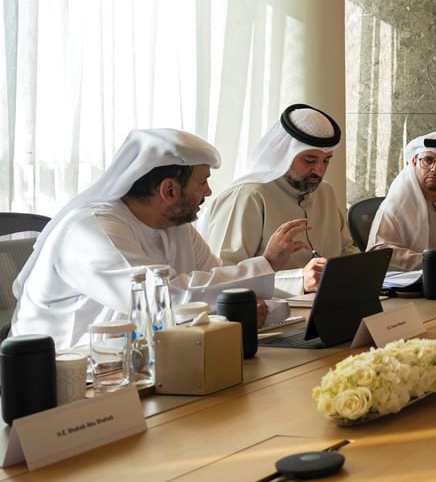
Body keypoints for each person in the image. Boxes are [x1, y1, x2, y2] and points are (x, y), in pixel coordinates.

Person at [9, 129, 310, 350]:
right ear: (169, 190)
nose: (208, 192)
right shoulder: (90, 230)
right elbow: (160, 300)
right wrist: (266, 264)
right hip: (63, 377)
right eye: (203, 181)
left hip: (143, 362)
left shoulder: (176, 225)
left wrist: (256, 309)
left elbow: (215, 284)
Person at [203, 104, 356, 297]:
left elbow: (346, 250)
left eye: (326, 160)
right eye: (309, 160)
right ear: (283, 154)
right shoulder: (247, 197)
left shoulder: (325, 192)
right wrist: (299, 281)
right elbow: (221, 280)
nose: (319, 170)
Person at [367, 132, 436, 271]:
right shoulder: (394, 209)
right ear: (414, 162)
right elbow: (378, 256)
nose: (435, 169)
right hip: (412, 290)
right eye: (428, 160)